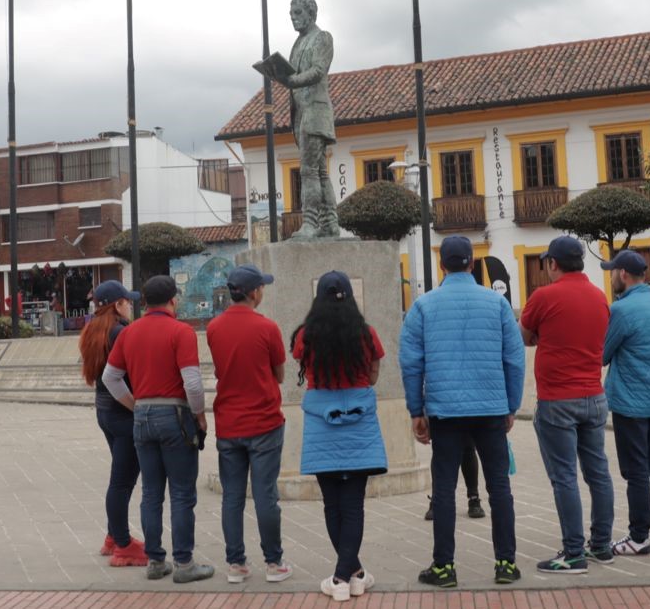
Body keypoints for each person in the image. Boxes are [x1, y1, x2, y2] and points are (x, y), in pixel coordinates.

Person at [400, 235, 526, 588]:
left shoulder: (423, 306)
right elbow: (514, 359)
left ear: (442, 265)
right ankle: (505, 564)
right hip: (490, 408)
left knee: (443, 489)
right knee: (499, 487)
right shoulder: (497, 304)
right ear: (473, 263)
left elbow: (411, 362)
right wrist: (511, 405)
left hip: (445, 410)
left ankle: (444, 568)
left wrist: (416, 410)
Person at [102, 275, 214, 584]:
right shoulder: (182, 331)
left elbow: (111, 377)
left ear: (145, 303)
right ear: (173, 301)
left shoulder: (130, 332)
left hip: (142, 417)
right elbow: (191, 381)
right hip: (175, 414)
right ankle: (184, 563)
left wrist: (134, 404)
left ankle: (155, 560)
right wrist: (200, 415)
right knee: (181, 492)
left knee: (151, 492)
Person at [521, 235, 615, 572]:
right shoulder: (599, 296)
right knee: (599, 474)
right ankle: (602, 545)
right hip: (594, 396)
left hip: (558, 400)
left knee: (564, 477)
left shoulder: (543, 296)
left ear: (552, 263)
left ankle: (574, 552)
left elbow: (526, 336)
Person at [293, 271, 386, 601]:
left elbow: (301, 361)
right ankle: (352, 574)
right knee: (354, 505)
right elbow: (373, 374)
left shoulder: (306, 335)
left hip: (322, 422)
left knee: (332, 504)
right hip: (359, 422)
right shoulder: (366, 333)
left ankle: (341, 579)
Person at [206, 264, 293, 585]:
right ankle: (273, 562)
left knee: (232, 496)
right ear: (254, 292)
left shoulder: (214, 328)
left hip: (228, 422)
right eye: (262, 287)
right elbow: (280, 373)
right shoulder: (267, 327)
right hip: (265, 421)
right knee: (265, 494)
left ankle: (236, 564)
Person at [257, 0, 337, 238]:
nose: (293, 17)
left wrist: (291, 81)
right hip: (301, 113)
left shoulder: (322, 38)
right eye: (291, 13)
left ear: (311, 13)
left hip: (315, 112)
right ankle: (330, 223)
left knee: (309, 171)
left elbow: (318, 70)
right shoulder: (298, 42)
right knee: (319, 172)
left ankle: (312, 224)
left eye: (298, 12)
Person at [79, 279, 146, 567]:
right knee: (122, 481)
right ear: (117, 305)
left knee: (121, 478)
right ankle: (122, 544)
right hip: (123, 413)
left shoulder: (92, 330)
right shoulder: (121, 332)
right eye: (128, 302)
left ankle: (112, 535)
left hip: (105, 412)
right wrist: (137, 406)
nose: (131, 306)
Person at [600, 250, 650, 556]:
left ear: (622, 275)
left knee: (637, 471)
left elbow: (602, 354)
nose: (610, 276)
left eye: (611, 271)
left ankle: (639, 536)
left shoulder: (621, 310)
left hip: (632, 404)